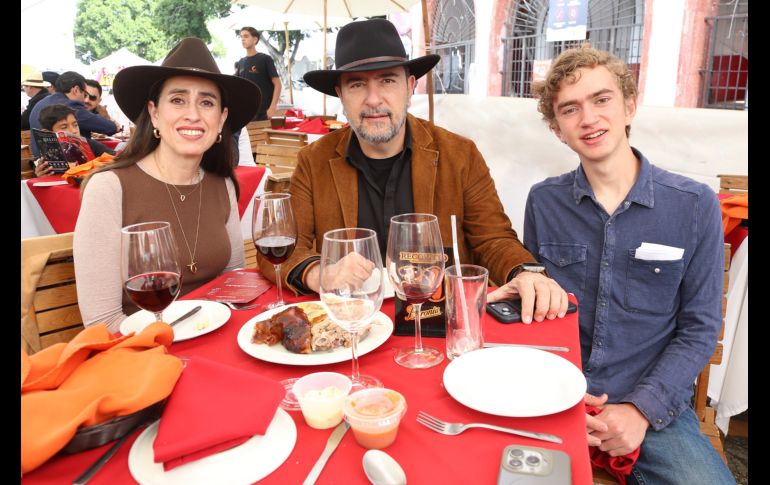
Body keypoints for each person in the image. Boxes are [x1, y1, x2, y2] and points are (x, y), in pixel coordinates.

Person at [263, 18, 567, 322]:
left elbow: (494, 238)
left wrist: (525, 272)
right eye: (356, 84)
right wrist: (320, 274)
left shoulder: (459, 155)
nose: (373, 99)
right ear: (340, 95)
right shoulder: (313, 161)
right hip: (352, 323)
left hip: (436, 320)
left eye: (387, 80)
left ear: (410, 86)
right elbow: (284, 245)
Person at [525, 45, 735, 484]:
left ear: (629, 105)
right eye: (570, 109)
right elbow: (538, 317)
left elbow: (698, 328)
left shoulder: (694, 205)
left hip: (653, 407)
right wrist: (554, 401)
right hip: (556, 400)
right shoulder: (544, 201)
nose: (589, 118)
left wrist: (640, 411)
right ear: (557, 129)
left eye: (601, 100)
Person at [73, 37, 261, 333]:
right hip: (141, 354)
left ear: (222, 118)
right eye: (177, 100)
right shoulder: (109, 188)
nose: (193, 114)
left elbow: (233, 283)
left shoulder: (222, 183)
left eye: (207, 102)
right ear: (154, 112)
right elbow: (103, 322)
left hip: (214, 341)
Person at [29, 71, 119, 157]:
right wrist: (106, 116)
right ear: (76, 90)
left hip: (39, 159)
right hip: (61, 160)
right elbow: (111, 128)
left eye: (75, 125)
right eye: (84, 94)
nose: (85, 100)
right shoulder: (70, 105)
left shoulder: (42, 102)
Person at [30, 104, 116, 177]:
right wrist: (39, 175)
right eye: (64, 127)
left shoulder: (90, 144)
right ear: (48, 133)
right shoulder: (45, 152)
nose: (73, 130)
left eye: (75, 125)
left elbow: (116, 159)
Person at [235, 26, 281, 120]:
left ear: (255, 39)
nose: (243, 39)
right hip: (247, 113)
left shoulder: (265, 59)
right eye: (241, 37)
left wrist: (272, 107)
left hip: (264, 113)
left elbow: (278, 84)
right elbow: (238, 87)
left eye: (246, 36)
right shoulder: (241, 62)